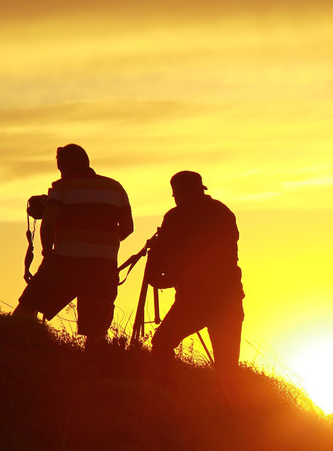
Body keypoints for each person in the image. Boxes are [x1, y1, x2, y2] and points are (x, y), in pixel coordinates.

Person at [14, 144, 133, 350]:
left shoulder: (61, 187)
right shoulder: (115, 187)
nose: (60, 170)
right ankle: (92, 372)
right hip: (104, 266)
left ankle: (13, 348)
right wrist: (102, 244)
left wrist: (48, 251)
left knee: (28, 306)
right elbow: (128, 228)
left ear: (68, 164)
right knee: (96, 330)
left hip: (66, 261)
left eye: (61, 165)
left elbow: (48, 223)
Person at [148, 170, 244, 385]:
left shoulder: (175, 216)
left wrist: (164, 274)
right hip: (226, 298)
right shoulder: (222, 212)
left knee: (162, 343)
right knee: (227, 367)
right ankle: (232, 414)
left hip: (196, 300)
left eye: (177, 194)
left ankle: (166, 394)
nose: (177, 198)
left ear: (179, 192)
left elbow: (168, 255)